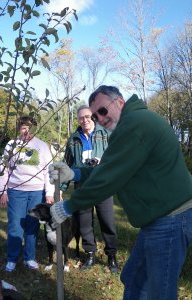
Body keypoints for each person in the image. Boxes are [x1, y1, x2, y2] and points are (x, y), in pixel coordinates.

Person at [48, 85, 192, 299]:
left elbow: (109, 177)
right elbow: (109, 168)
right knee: (134, 279)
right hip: (159, 220)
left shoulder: (134, 124)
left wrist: (67, 206)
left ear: (119, 102)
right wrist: (74, 174)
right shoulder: (132, 124)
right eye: (95, 115)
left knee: (160, 292)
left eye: (102, 111)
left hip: (172, 219)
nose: (100, 119)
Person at [62, 105, 118, 272]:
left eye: (87, 116)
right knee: (85, 223)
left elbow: (117, 156)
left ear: (92, 117)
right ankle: (90, 253)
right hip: (82, 189)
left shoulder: (105, 134)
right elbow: (67, 165)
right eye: (81, 118)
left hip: (102, 186)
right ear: (78, 120)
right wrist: (61, 188)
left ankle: (112, 256)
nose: (84, 120)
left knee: (107, 222)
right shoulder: (73, 139)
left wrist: (104, 163)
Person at [0, 116, 54, 272]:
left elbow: (48, 171)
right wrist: (2, 190)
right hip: (16, 192)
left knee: (32, 225)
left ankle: (30, 257)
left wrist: (49, 193)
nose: (26, 131)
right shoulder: (12, 145)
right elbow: (4, 169)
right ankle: (12, 258)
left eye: (29, 127)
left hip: (37, 192)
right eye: (23, 127)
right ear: (18, 128)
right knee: (15, 225)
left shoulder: (42, 146)